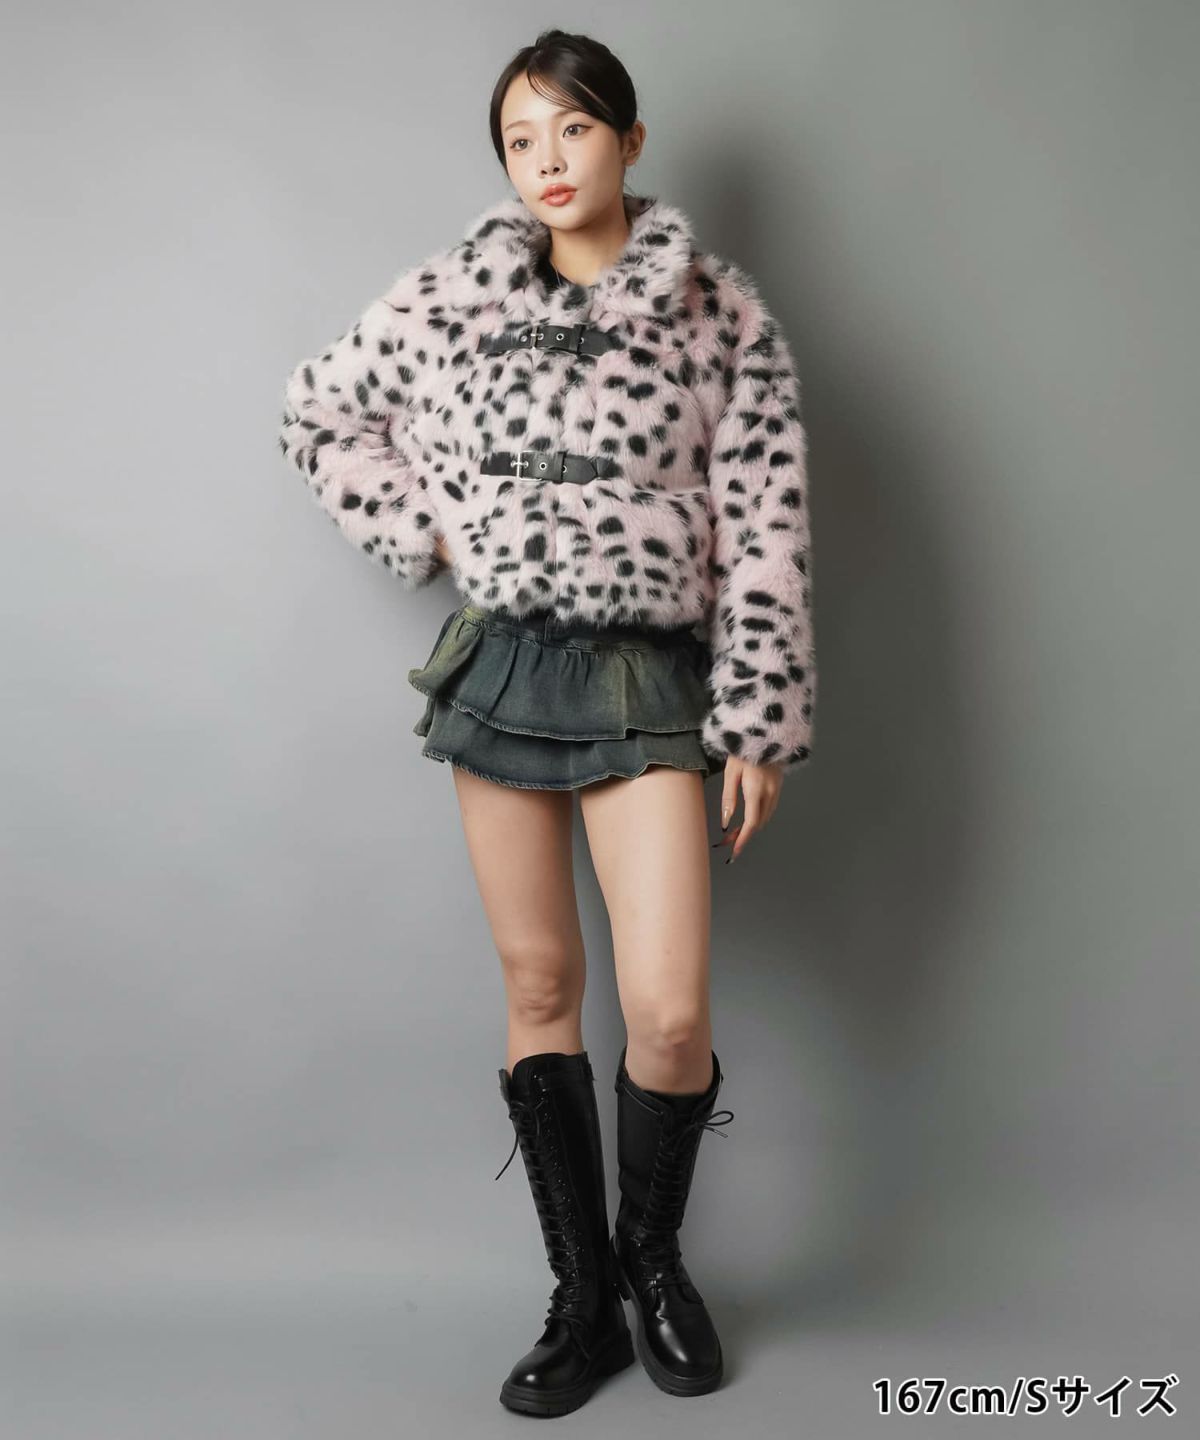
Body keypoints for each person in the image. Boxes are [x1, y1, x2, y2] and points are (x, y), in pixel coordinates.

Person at [277, 26, 816, 1418]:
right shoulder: (453, 295)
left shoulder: (719, 315)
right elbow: (320, 413)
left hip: (646, 676)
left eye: (572, 129)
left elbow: (765, 524)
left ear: (628, 140)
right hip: (506, 667)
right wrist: (434, 526)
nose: (547, 161)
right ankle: (584, 1302)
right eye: (520, 139)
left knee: (669, 1008)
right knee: (538, 988)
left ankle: (654, 1263)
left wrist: (758, 711)